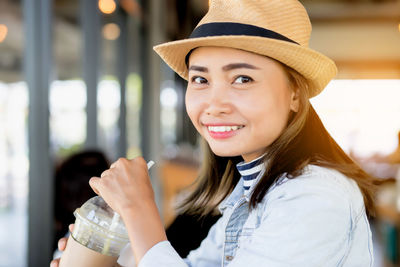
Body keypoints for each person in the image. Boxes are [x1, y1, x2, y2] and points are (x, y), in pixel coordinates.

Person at [51, 0, 380, 266]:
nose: (214, 104)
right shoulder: (254, 193)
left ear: (295, 93)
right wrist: (112, 252)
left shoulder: (316, 197)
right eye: (200, 80)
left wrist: (139, 210)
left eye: (242, 79)